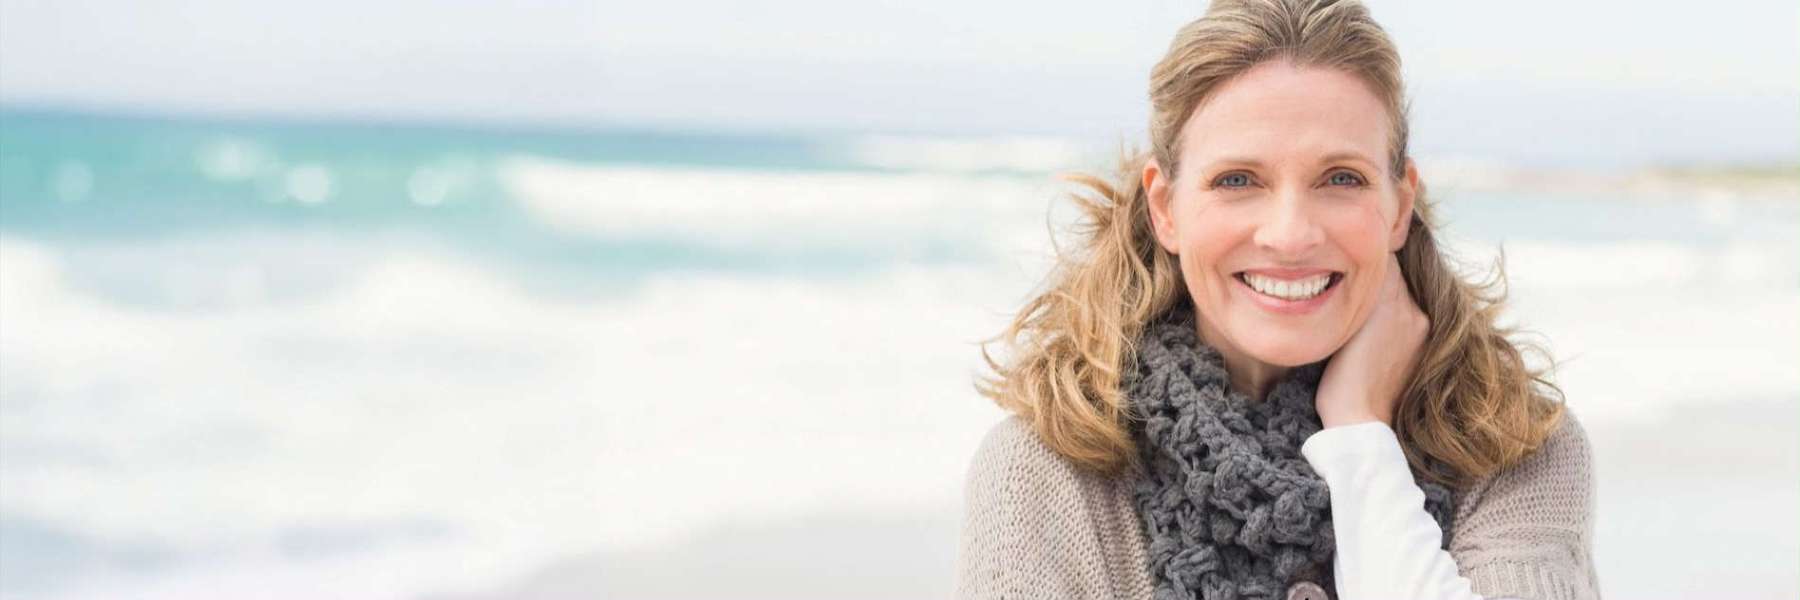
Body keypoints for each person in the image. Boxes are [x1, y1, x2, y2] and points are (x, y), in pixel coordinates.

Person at [955, 1, 1599, 599]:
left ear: (1399, 206)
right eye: (1237, 180)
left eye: (1340, 178)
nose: (1290, 235)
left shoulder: (1513, 448)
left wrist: (1359, 435)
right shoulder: (1047, 471)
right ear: (1165, 208)